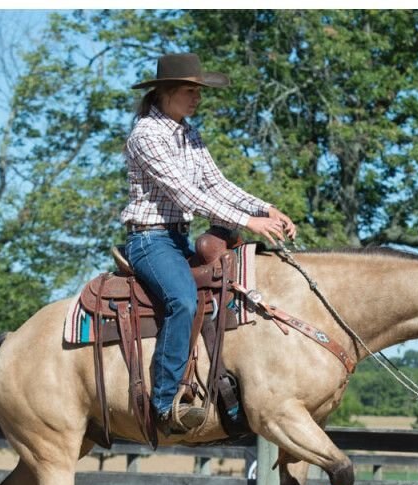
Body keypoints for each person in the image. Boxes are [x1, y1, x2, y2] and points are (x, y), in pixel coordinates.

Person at [121, 52, 297, 435]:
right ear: (166, 92)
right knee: (182, 301)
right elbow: (187, 195)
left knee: (223, 295)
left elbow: (216, 184)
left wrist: (265, 206)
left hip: (176, 238)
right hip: (150, 241)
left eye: (199, 90)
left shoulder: (188, 133)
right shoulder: (146, 136)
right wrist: (249, 221)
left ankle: (221, 390)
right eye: (190, 90)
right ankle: (165, 404)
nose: (198, 97)